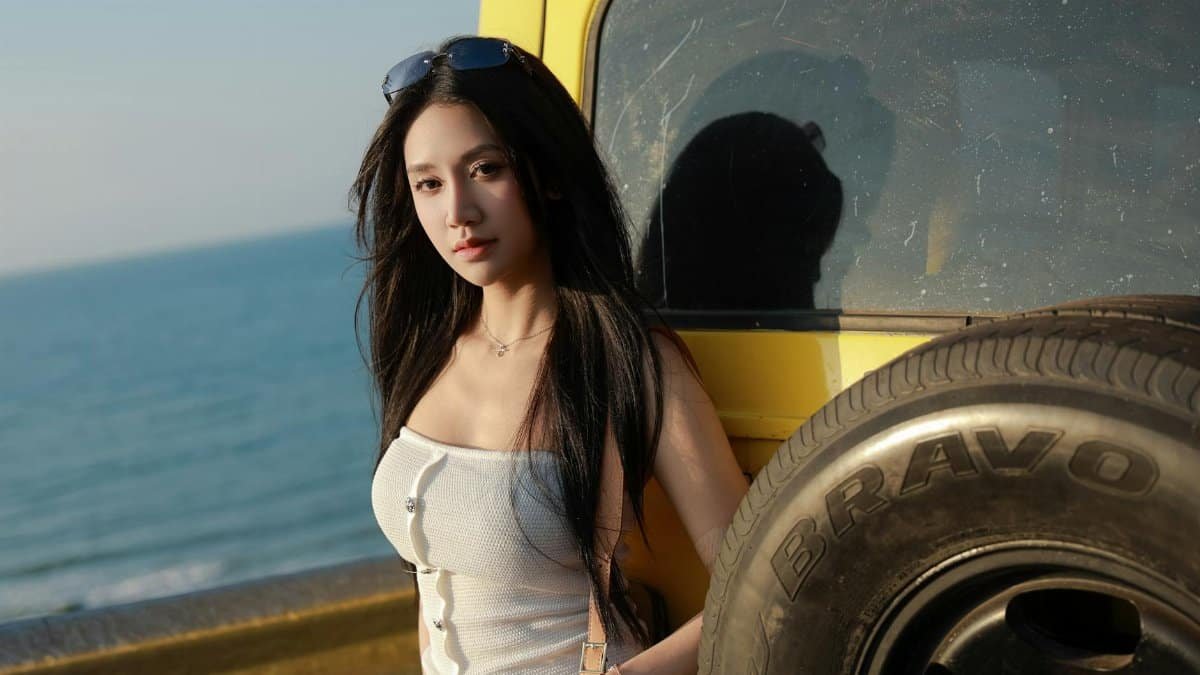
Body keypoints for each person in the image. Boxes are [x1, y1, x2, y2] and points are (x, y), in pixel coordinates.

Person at [354, 35, 748, 674]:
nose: (458, 211)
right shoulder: (425, 352)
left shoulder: (626, 361)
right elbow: (434, 593)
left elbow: (754, 582)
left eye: (487, 169)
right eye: (428, 183)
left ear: (550, 174)